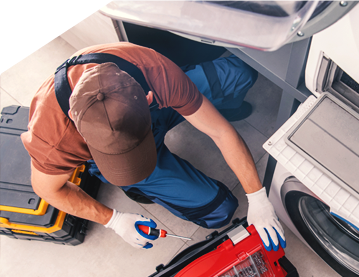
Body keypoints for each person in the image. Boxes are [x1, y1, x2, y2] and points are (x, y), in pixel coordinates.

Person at [21, 42, 285, 251]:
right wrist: (113, 220)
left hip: (156, 108)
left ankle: (213, 107)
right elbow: (48, 191)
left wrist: (257, 197)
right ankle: (136, 184)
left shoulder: (154, 72)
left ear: (148, 98)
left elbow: (220, 131)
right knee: (220, 210)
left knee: (240, 73)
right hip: (126, 123)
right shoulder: (53, 138)